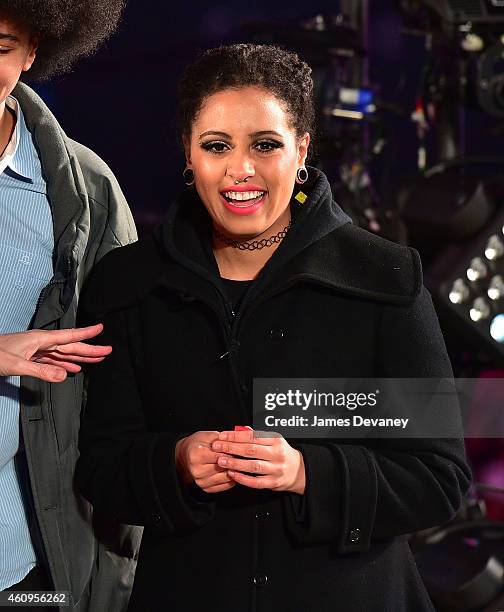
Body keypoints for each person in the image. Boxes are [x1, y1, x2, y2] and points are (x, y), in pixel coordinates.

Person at [75, 44, 472, 612]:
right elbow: (101, 467)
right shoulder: (128, 284)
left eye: (266, 145)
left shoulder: (384, 276)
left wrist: (306, 471)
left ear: (302, 149)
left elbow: (438, 479)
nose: (242, 170)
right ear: (188, 153)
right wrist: (177, 462)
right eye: (217, 146)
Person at [0, 1, 140, 610]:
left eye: (1, 47)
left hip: (30, 552)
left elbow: (128, 373)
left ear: (34, 52)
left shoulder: (82, 189)